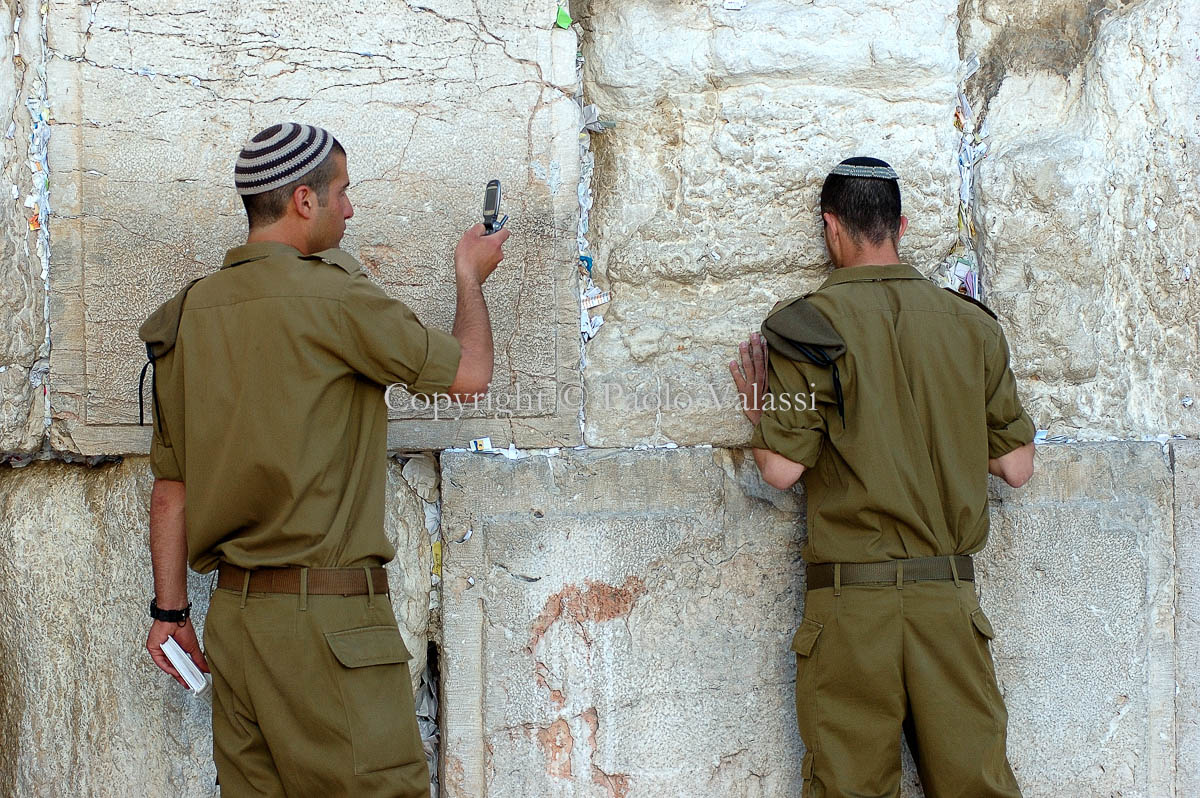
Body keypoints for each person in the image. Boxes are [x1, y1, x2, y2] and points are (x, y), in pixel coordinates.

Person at [139, 122, 507, 796]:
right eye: (343, 192)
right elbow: (470, 373)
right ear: (304, 201)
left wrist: (170, 616)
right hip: (330, 626)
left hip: (236, 627)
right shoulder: (337, 298)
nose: (351, 208)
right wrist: (470, 275)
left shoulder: (187, 315)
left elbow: (172, 487)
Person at [729, 156, 1035, 798]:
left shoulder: (805, 327)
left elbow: (782, 470)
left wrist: (765, 411)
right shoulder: (971, 327)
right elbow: (1016, 466)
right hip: (947, 606)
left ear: (830, 226)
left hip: (852, 608)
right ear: (899, 224)